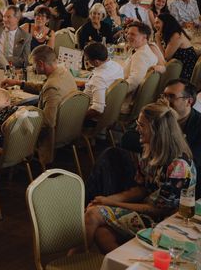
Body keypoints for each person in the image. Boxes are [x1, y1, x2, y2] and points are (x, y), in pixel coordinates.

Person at [83, 102, 196, 253]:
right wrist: (107, 199)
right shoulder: (150, 150)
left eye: (141, 125)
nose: (137, 129)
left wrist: (110, 203)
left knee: (92, 214)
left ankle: (74, 256)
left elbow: (158, 210)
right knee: (102, 233)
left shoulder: (178, 166)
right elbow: (142, 189)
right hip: (149, 210)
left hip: (167, 222)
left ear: (156, 130)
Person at [1, 45, 77, 163]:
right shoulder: (63, 72)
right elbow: (44, 88)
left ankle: (8, 158)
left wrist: (21, 115)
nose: (32, 67)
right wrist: (18, 83)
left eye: (33, 64)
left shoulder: (52, 86)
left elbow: (48, 122)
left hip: (50, 135)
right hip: (68, 127)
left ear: (41, 63)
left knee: (5, 120)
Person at [121, 22, 158, 113]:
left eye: (133, 34)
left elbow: (135, 81)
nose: (128, 36)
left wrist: (114, 92)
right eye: (128, 33)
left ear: (144, 37)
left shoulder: (141, 56)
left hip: (124, 103)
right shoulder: (145, 51)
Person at [82, 42, 124, 121]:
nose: (87, 61)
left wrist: (79, 118)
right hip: (112, 111)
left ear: (96, 62)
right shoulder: (117, 66)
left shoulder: (98, 78)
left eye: (87, 59)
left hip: (93, 119)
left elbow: (98, 108)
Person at [154, 12, 197, 80]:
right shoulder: (171, 33)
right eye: (154, 23)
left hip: (185, 71)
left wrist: (158, 40)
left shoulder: (176, 35)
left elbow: (165, 57)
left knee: (155, 73)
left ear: (166, 23)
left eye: (157, 22)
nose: (155, 25)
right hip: (176, 67)